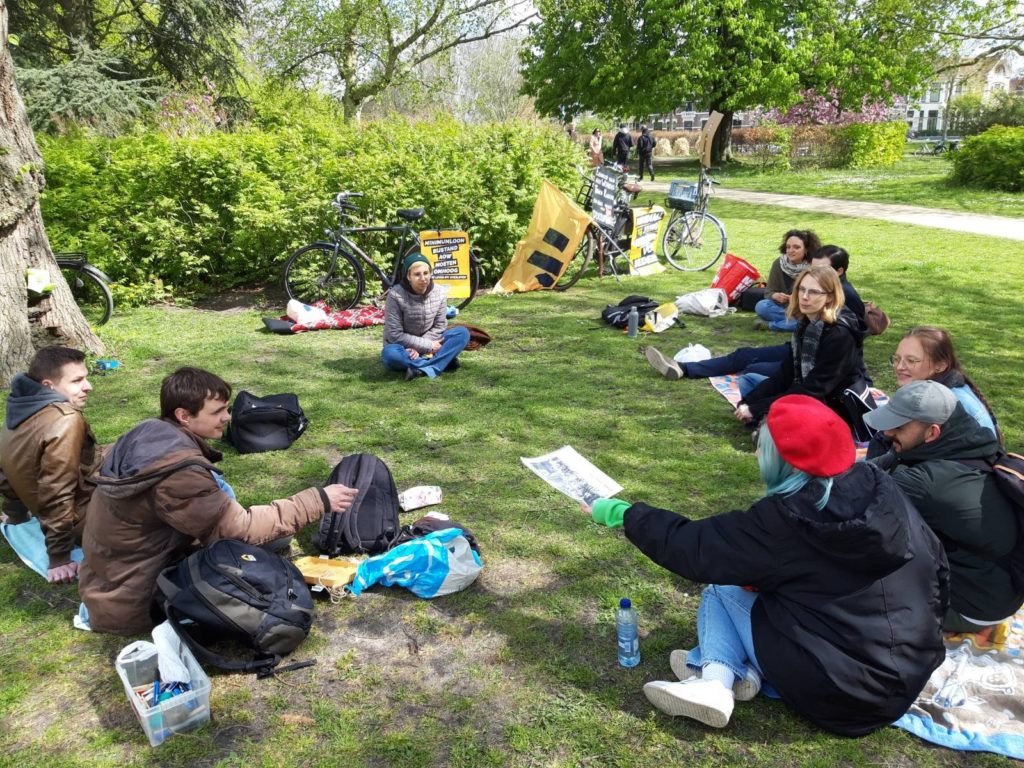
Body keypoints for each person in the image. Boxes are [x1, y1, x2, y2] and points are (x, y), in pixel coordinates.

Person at [584, 395, 948, 734]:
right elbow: (938, 567)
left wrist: (622, 513)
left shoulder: (785, 521)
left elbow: (694, 548)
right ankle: (735, 673)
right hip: (911, 665)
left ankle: (714, 679)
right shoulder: (881, 485)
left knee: (720, 588)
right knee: (750, 586)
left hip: (842, 694)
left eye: (763, 443)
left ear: (779, 457)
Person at [78, 367, 359, 635]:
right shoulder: (179, 475)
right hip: (134, 599)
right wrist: (317, 500)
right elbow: (241, 529)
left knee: (247, 516)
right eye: (217, 412)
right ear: (183, 416)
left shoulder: (148, 436)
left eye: (227, 408)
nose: (227, 417)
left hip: (109, 579)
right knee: (266, 545)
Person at [865, 380, 1023, 634]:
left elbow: (857, 495)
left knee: (855, 586)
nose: (886, 432)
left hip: (974, 608)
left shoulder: (925, 483)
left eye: (898, 426)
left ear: (932, 433)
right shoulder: (973, 442)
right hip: (1001, 589)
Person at [645, 245, 867, 398]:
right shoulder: (808, 319)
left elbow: (817, 382)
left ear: (838, 273)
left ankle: (690, 370)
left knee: (752, 370)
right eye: (813, 268)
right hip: (804, 359)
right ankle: (684, 368)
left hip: (822, 376)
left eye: (822, 270)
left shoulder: (841, 316)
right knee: (747, 357)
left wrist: (757, 407)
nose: (814, 275)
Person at [0, 347, 101, 583]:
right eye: (77, 381)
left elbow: (5, 474)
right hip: (88, 519)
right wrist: (59, 557)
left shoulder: (18, 410)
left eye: (85, 377)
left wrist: (16, 516)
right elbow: (57, 492)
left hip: (67, 507)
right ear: (48, 385)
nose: (88, 387)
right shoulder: (66, 420)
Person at [735, 265, 872, 439]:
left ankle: (771, 427)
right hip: (806, 391)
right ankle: (767, 423)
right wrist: (748, 401)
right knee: (748, 381)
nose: (805, 297)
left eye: (814, 292)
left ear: (830, 297)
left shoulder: (839, 335)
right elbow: (785, 374)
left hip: (832, 404)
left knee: (779, 409)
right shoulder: (806, 323)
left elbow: (813, 390)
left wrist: (758, 407)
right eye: (802, 289)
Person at [381, 253, 470, 380]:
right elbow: (394, 334)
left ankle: (420, 369)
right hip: (403, 346)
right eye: (417, 274)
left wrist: (424, 347)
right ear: (408, 276)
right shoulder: (395, 295)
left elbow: (440, 326)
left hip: (432, 342)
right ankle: (440, 362)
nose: (423, 278)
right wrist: (425, 346)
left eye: (426, 273)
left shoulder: (440, 292)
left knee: (462, 333)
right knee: (390, 355)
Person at [753, 230, 821, 332]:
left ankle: (771, 325)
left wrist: (796, 299)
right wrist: (775, 296)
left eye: (796, 247)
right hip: (783, 308)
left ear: (806, 249)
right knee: (761, 306)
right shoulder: (779, 264)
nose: (790, 251)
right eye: (788, 247)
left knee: (810, 319)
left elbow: (819, 296)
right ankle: (795, 322)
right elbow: (769, 292)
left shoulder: (814, 267)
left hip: (804, 309)